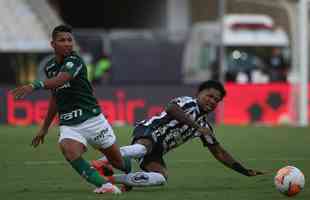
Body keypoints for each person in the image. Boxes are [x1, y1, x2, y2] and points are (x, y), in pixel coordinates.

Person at [10, 25, 131, 194]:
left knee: (119, 162)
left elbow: (61, 79)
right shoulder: (50, 67)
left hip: (93, 120)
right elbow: (55, 96)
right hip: (69, 123)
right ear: (53, 44)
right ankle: (105, 186)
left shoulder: (75, 61)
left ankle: (130, 172)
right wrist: (44, 128)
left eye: (69, 40)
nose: (67, 44)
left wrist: (34, 85)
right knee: (68, 150)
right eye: (62, 40)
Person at [91, 80, 264, 190]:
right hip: (149, 131)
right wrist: (196, 126)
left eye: (216, 100)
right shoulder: (188, 102)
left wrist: (243, 171)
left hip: (157, 151)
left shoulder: (204, 127)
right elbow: (171, 109)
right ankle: (101, 161)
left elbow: (219, 152)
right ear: (199, 94)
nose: (212, 101)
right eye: (210, 96)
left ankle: (112, 179)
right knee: (142, 148)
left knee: (161, 178)